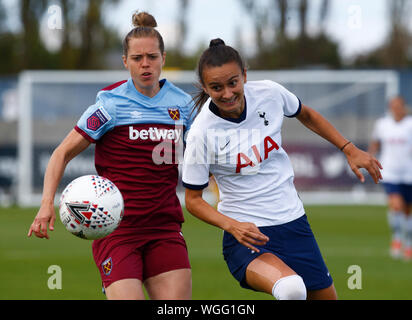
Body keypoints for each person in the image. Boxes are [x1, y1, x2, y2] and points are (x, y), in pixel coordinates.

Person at [182, 39, 383, 300]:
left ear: (244, 75)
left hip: (295, 224)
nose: (228, 93)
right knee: (291, 289)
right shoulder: (201, 132)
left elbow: (306, 114)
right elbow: (193, 200)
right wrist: (232, 226)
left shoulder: (269, 93)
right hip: (247, 237)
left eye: (233, 82)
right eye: (216, 87)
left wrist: (348, 148)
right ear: (205, 88)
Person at [27, 11, 193, 300]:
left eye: (152, 57)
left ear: (163, 58)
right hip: (117, 229)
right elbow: (61, 153)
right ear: (125, 61)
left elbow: (199, 159)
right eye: (137, 58)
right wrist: (45, 205)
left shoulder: (183, 104)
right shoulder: (110, 105)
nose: (145, 64)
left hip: (164, 227)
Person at [368, 96, 412, 260]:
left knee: (407, 211)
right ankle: (397, 239)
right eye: (394, 106)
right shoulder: (382, 125)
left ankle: (408, 243)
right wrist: (369, 158)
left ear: (404, 107)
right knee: (396, 205)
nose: (397, 109)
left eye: (399, 106)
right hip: (390, 172)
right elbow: (375, 144)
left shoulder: (410, 124)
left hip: (409, 173)